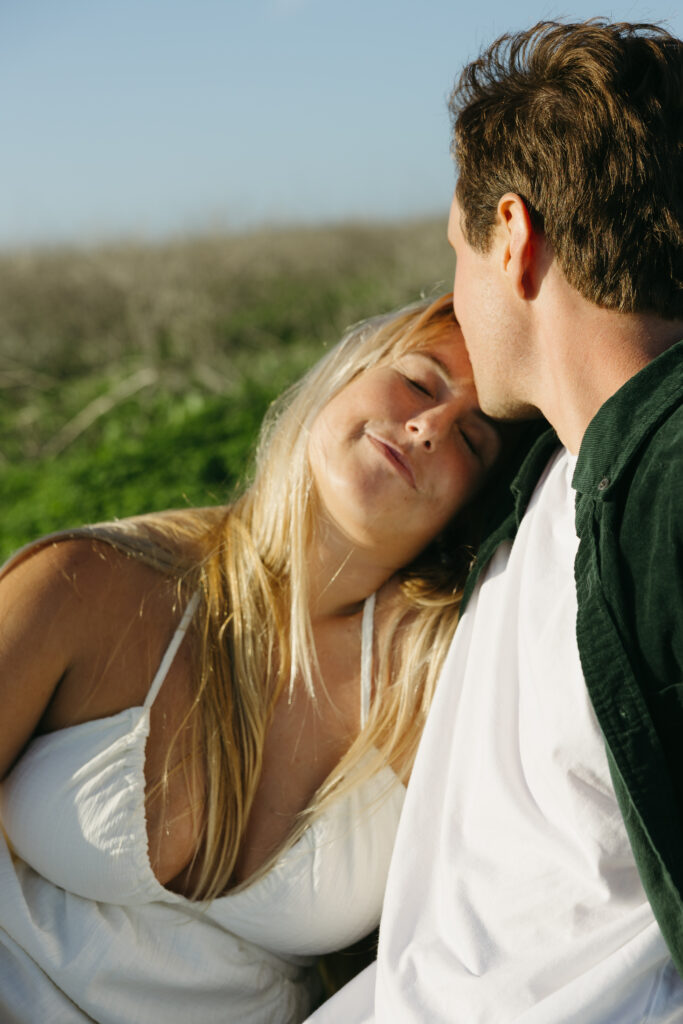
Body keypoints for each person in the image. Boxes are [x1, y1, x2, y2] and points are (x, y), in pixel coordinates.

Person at [308, 19, 683, 1023]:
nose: (450, 298)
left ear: (511, 237)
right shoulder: (549, 477)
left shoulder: (665, 481)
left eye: (456, 251)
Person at [0, 293, 507, 1023]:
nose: (428, 427)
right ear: (344, 371)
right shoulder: (86, 584)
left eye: (473, 441)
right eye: (420, 383)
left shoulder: (433, 683)